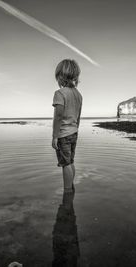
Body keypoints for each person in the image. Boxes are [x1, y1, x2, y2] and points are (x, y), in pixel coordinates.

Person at [52, 59, 83, 193]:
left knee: (65, 164)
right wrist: (75, 129)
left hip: (63, 134)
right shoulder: (78, 95)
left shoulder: (60, 93)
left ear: (60, 76)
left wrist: (54, 136)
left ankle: (67, 191)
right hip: (74, 132)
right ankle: (71, 186)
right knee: (71, 161)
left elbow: (58, 116)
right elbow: (78, 116)